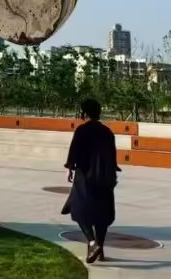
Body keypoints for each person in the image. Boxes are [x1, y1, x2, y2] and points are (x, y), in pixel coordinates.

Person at [61, 98, 120, 264]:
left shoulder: (82, 130)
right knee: (102, 214)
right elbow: (112, 156)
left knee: (79, 209)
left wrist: (70, 168)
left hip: (85, 176)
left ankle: (93, 243)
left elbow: (74, 151)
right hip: (105, 177)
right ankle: (99, 250)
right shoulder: (107, 132)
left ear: (84, 113)